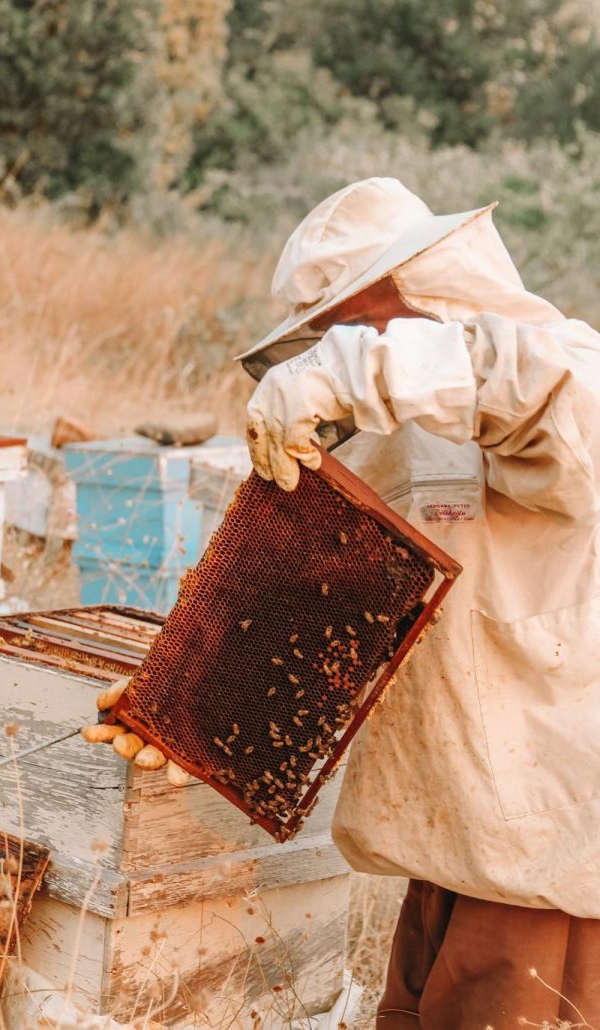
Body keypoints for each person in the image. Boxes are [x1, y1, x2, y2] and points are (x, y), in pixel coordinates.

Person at [241, 177, 600, 1027]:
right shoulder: (400, 423)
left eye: (358, 325)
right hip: (455, 826)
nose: (349, 348)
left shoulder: (557, 367)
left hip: (547, 833)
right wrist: (191, 691)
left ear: (428, 286)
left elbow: (557, 412)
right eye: (331, 335)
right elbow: (325, 592)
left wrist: (357, 365)